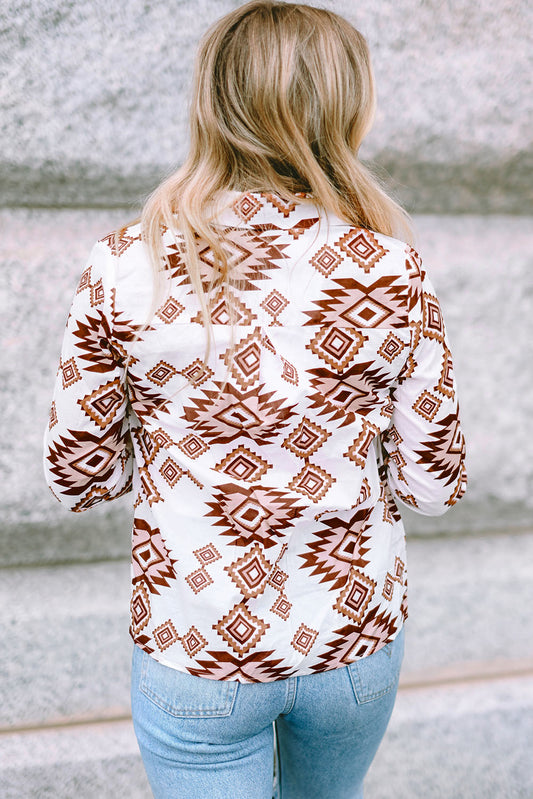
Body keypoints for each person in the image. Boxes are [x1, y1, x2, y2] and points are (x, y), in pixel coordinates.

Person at [43, 2, 467, 797]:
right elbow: (433, 486)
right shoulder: (392, 268)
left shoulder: (123, 265)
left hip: (197, 641)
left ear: (211, 102)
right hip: (350, 639)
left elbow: (79, 478)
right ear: (345, 107)